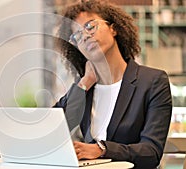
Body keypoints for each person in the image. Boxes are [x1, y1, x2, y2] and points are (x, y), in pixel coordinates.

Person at [53, 0, 172, 168]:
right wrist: (84, 83)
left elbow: (151, 152)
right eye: (78, 35)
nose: (85, 35)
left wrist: (102, 149)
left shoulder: (153, 82)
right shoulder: (85, 89)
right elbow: (51, 131)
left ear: (113, 29)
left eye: (90, 26)